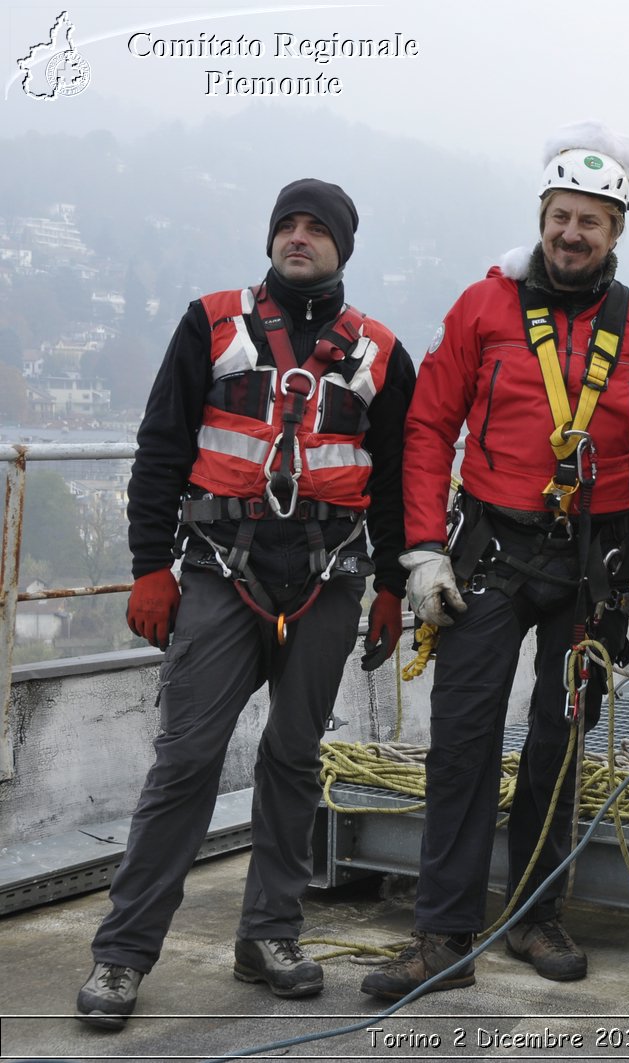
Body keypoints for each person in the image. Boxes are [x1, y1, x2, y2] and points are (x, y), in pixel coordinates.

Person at [75, 178, 415, 1030]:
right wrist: (149, 567)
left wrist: (395, 588)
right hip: (220, 573)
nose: (299, 237)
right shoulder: (212, 323)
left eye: (316, 228)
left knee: (295, 760)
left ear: (343, 245)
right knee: (186, 761)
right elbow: (161, 446)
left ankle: (269, 935)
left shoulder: (378, 352)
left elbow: (398, 484)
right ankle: (122, 954)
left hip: (329, 579)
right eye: (287, 226)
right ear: (270, 238)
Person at [360, 122, 629, 999]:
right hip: (490, 550)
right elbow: (428, 426)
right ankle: (443, 930)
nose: (572, 234)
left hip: (596, 560)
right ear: (541, 217)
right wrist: (422, 550)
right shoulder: (483, 307)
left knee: (559, 737)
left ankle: (536, 912)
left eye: (591, 221)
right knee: (462, 739)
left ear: (617, 232)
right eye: (560, 217)